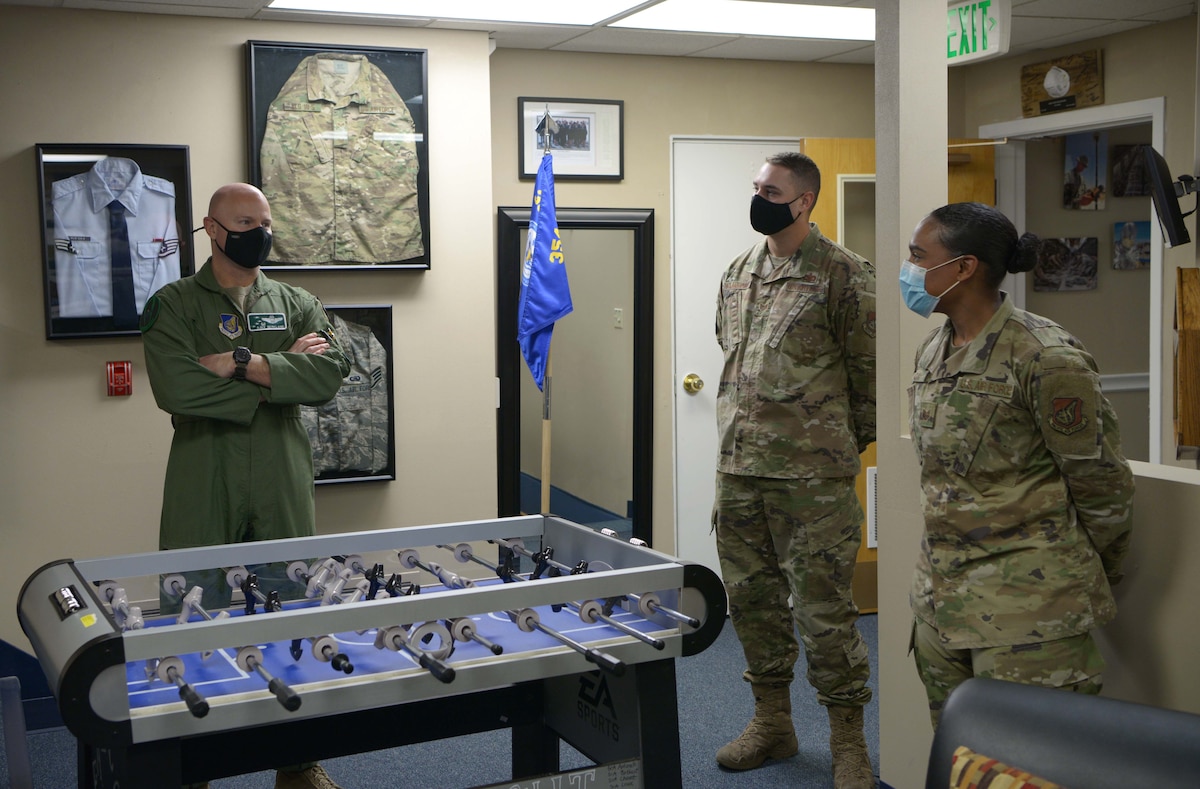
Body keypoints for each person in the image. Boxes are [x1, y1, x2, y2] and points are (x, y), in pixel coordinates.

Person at [141, 182, 350, 789]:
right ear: (212, 228)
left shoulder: (296, 300)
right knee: (194, 604)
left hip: (282, 465)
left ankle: (297, 764)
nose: (259, 232)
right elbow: (177, 390)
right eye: (244, 221)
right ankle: (191, 767)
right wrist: (280, 368)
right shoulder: (175, 305)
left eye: (265, 221)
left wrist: (236, 362)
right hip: (203, 467)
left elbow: (328, 375)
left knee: (292, 603)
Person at [902, 202, 1134, 729]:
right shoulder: (934, 349)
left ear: (963, 268)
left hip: (1030, 615)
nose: (908, 270)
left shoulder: (1046, 357)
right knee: (962, 763)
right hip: (941, 604)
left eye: (919, 256)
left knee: (1031, 767)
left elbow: (1102, 485)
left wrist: (1085, 575)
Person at [713, 152, 876, 788]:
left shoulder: (844, 275)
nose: (759, 197)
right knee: (752, 605)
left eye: (771, 189)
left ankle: (848, 742)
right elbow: (733, 361)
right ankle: (772, 725)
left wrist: (829, 451)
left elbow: (868, 381)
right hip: (738, 471)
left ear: (803, 201)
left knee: (825, 614)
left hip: (813, 482)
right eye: (755, 186)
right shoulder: (737, 272)